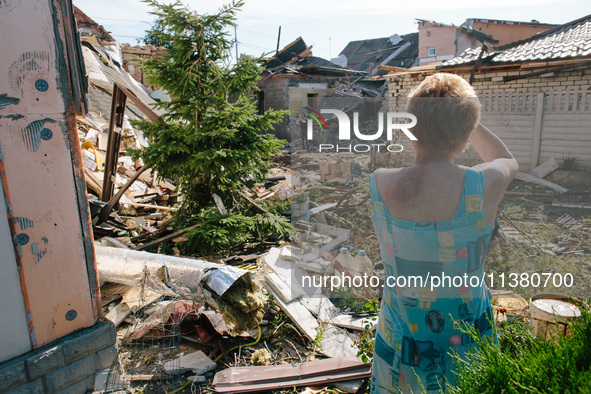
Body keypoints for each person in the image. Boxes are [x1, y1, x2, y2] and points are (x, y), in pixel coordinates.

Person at [369, 73, 518, 393]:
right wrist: (464, 118)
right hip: (465, 344)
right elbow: (506, 159)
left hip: (400, 345)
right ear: (465, 134)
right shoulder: (482, 184)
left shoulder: (380, 182)